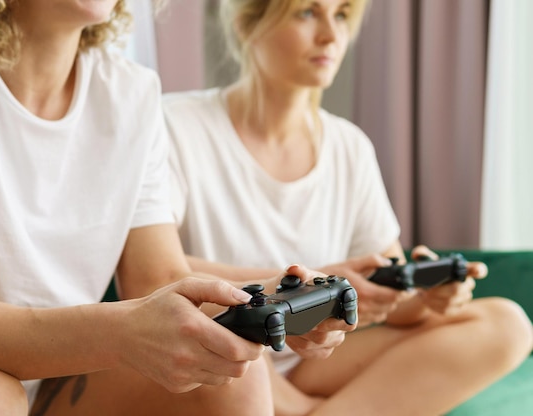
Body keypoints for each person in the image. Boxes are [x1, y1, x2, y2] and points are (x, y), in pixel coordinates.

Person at [0, 1, 356, 415]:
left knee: (228, 369)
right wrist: (117, 334)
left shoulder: (131, 91)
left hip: (57, 382)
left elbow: (158, 280)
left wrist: (263, 295)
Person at [163, 0, 533, 415]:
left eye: (341, 15)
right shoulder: (176, 125)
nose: (331, 34)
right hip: (231, 351)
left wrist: (425, 295)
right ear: (246, 22)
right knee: (233, 354)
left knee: (507, 324)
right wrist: (316, 283)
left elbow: (394, 304)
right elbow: (161, 275)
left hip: (320, 357)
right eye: (307, 12)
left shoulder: (349, 146)